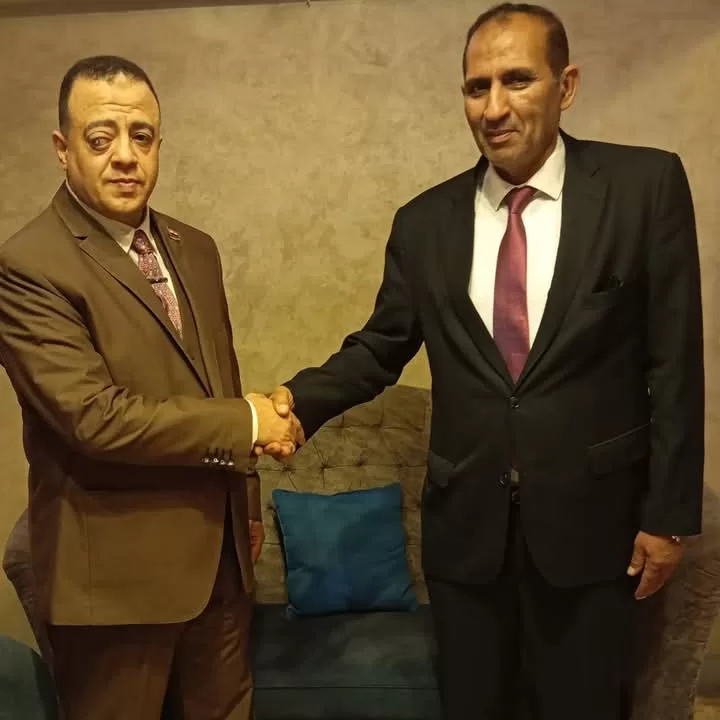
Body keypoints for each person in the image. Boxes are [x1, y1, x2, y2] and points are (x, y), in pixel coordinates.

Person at [263, 4, 704, 719]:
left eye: (517, 80)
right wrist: (293, 402)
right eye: (476, 87)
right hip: (468, 539)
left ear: (566, 85)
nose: (493, 107)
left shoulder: (643, 188)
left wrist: (670, 515)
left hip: (595, 532)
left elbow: (675, 364)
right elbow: (380, 347)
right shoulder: (423, 223)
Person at [0, 56, 301, 720]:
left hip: (221, 564)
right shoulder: (27, 264)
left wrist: (247, 506)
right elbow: (94, 418)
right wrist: (252, 422)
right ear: (63, 149)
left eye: (142, 136)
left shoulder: (196, 248)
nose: (125, 156)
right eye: (100, 137)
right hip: (114, 583)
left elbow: (217, 382)